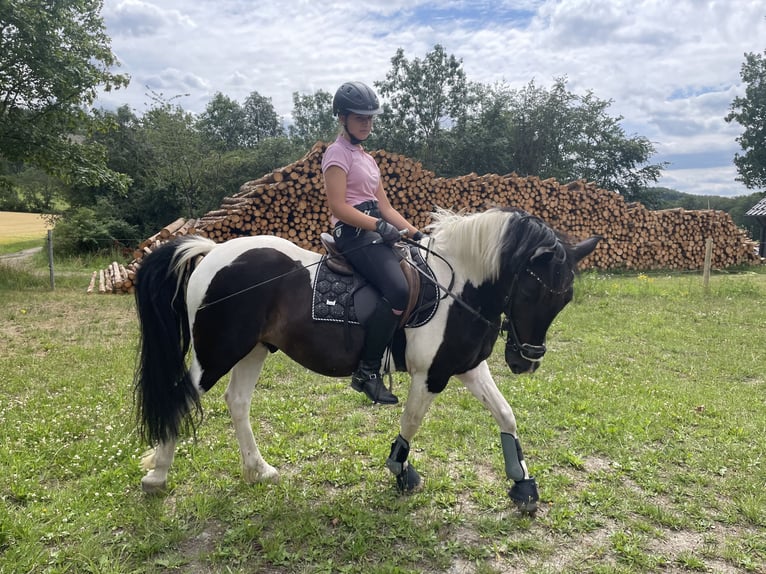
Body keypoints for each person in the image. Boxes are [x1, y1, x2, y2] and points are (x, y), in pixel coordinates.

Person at [321, 81, 423, 405]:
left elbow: (386, 207)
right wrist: (378, 226)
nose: (366, 123)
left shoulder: (368, 159)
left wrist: (416, 233)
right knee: (398, 289)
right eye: (359, 117)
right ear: (342, 118)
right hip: (351, 234)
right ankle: (367, 371)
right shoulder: (336, 154)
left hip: (374, 230)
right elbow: (338, 206)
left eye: (370, 118)